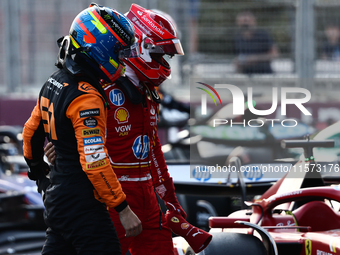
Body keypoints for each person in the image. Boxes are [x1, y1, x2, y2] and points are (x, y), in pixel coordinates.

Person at [45, 4, 187, 255]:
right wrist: (53, 144)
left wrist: (172, 202)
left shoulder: (148, 91)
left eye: (166, 56)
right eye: (159, 54)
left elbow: (153, 150)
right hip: (109, 201)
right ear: (142, 48)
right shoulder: (99, 88)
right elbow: (54, 122)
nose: (163, 62)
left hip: (148, 200)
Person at [22, 3, 142, 254]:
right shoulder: (87, 98)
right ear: (100, 49)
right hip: (83, 209)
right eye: (118, 52)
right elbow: (94, 161)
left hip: (57, 204)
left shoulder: (53, 81)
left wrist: (40, 176)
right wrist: (123, 209)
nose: (121, 59)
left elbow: (30, 134)